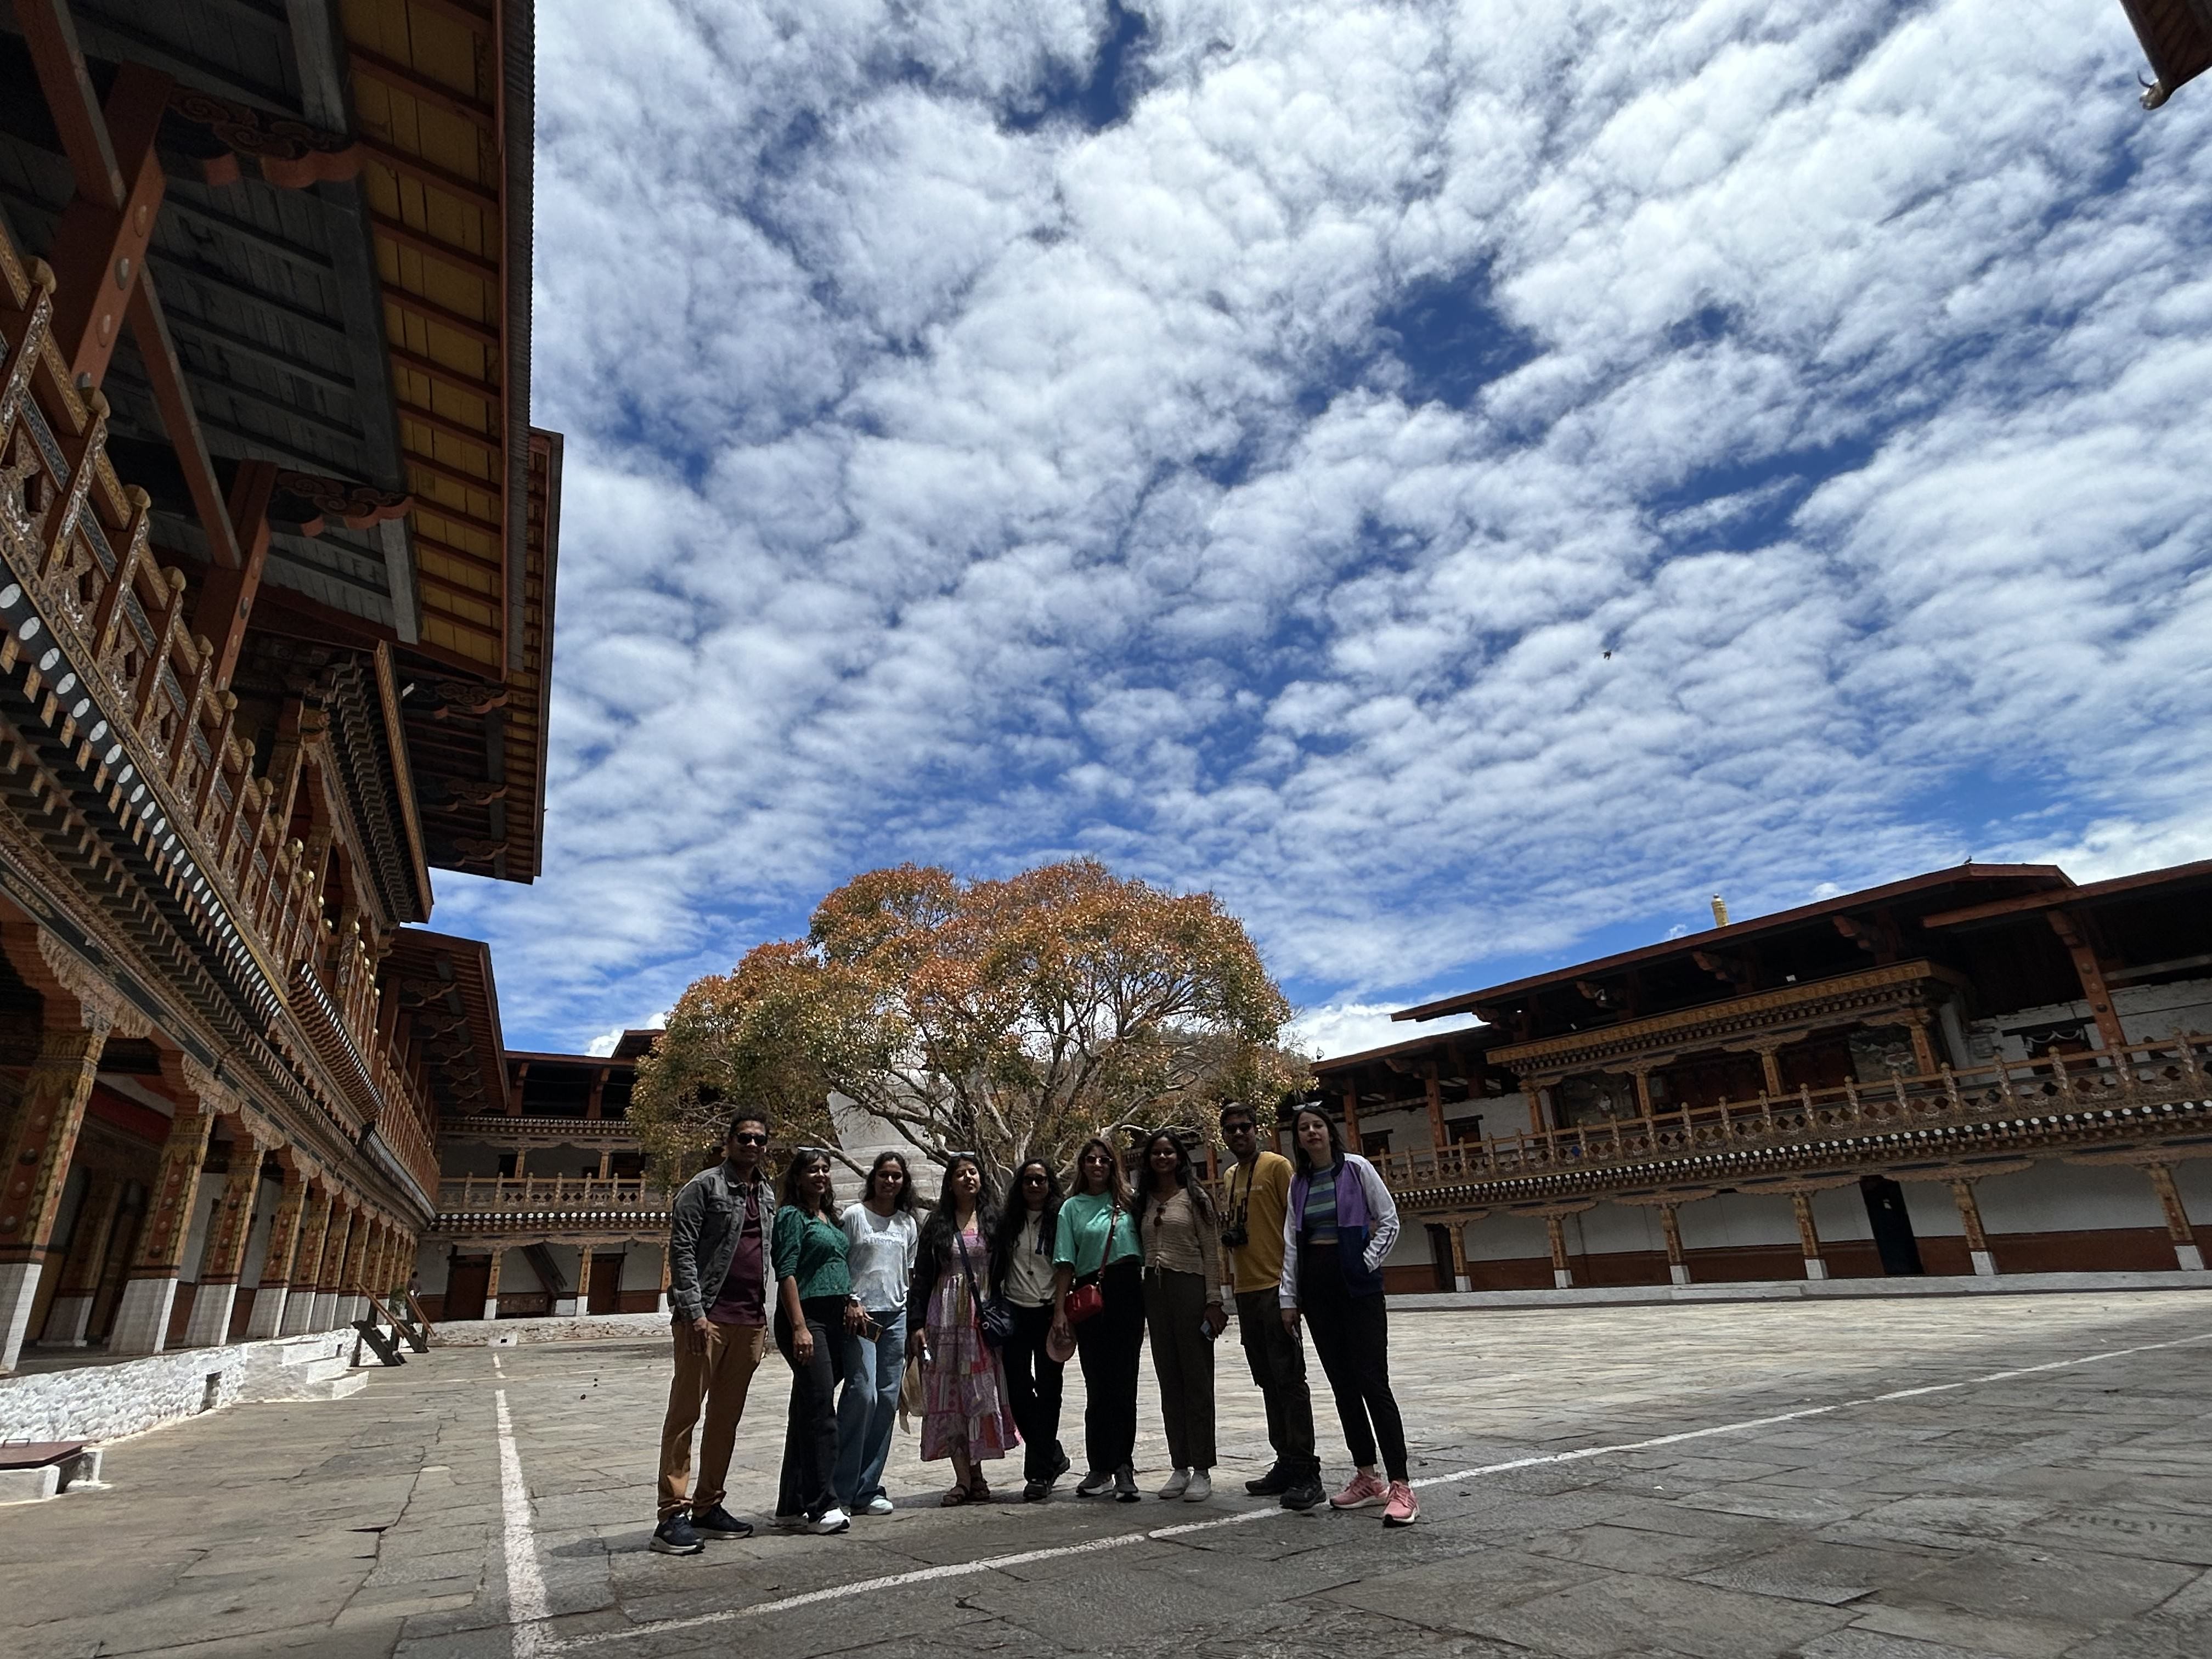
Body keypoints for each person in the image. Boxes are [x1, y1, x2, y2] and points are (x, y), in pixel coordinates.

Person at [1281, 1105, 1417, 1526]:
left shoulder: (1356, 1169)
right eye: (1303, 1128)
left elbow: (1389, 1220)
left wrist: (1366, 1261)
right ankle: (1366, 1476)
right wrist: (1289, 1296)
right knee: (1343, 1387)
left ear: (1330, 1131)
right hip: (1318, 1290)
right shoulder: (1299, 1183)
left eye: (1317, 1125)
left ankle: (1401, 1484)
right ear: (1298, 1138)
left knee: (1373, 1382)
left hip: (1357, 1288)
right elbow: (1291, 1241)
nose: (1311, 1132)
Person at [653, 1111, 776, 1556]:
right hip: (705, 1317)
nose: (752, 1145)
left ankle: (709, 1504)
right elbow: (682, 1248)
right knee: (686, 1414)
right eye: (744, 1138)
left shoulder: (766, 1194)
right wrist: (693, 1310)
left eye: (760, 1140)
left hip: (749, 1321)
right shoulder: (702, 1188)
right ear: (728, 1142)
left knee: (726, 1418)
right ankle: (672, 1512)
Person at [1218, 1101, 1322, 1510]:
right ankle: (1285, 1460)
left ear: (1257, 1129)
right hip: (1245, 1290)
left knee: (1290, 1380)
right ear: (1223, 1136)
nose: (1239, 1134)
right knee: (1266, 1378)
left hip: (1276, 1287)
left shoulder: (1277, 1167)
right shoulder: (1229, 1176)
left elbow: (1297, 1226)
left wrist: (1292, 1293)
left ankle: (1306, 1468)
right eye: (1231, 1129)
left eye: (1245, 1127)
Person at [905, 1154, 1021, 1504]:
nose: (968, 1178)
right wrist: (916, 1324)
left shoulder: (994, 1222)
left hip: (981, 1322)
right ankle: (962, 1479)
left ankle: (979, 1473)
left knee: (981, 1394)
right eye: (960, 1173)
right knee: (949, 1396)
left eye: (973, 1172)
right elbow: (923, 1276)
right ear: (950, 1182)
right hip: (944, 1322)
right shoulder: (937, 1224)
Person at [1129, 1128, 1225, 1502]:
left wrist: (1214, 1300)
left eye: (1169, 1152)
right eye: (1157, 1153)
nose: (1163, 1158)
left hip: (1191, 1289)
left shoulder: (1196, 1198)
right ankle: (1179, 1465)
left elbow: (1212, 1252)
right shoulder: (1143, 1201)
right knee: (1169, 1380)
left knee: (1197, 1378)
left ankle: (1202, 1467)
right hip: (1154, 1293)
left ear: (1180, 1157)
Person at [772, 1147, 862, 1535]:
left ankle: (791, 1502)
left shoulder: (831, 1218)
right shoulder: (793, 1217)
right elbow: (787, 1272)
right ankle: (822, 1504)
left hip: (837, 1318)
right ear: (798, 1177)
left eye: (826, 1169)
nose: (821, 1175)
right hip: (807, 1317)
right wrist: (799, 1328)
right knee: (822, 1410)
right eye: (813, 1169)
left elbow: (839, 1265)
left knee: (808, 1408)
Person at [1051, 1135, 1144, 1503]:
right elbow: (1064, 1263)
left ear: (1113, 1165)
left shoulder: (1129, 1203)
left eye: (1104, 1160)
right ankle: (1099, 1465)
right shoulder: (1071, 1208)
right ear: (1082, 1165)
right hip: (1090, 1296)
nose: (1097, 1165)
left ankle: (1124, 1465)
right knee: (1097, 1383)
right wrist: (1059, 1311)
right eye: (1091, 1159)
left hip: (1128, 1292)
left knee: (1125, 1381)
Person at [836, 1152, 919, 1516]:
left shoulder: (907, 1224)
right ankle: (839, 1487)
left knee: (887, 1400)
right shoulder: (854, 1216)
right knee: (863, 1394)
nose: (890, 1182)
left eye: (897, 1176)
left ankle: (868, 1486)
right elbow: (840, 1262)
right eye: (884, 1175)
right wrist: (850, 1300)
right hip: (861, 1315)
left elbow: (911, 1273)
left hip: (896, 1315)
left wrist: (917, 1322)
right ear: (873, 1178)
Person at [990, 1156, 1071, 1501]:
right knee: (1019, 1391)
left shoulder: (1060, 1219)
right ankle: (1052, 1453)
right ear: (1019, 1186)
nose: (1035, 1186)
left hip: (1050, 1312)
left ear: (1050, 1184)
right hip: (1016, 1312)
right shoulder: (1008, 1223)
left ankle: (1038, 1473)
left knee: (1050, 1390)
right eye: (1028, 1181)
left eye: (1040, 1180)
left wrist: (1061, 1312)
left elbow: (1067, 1265)